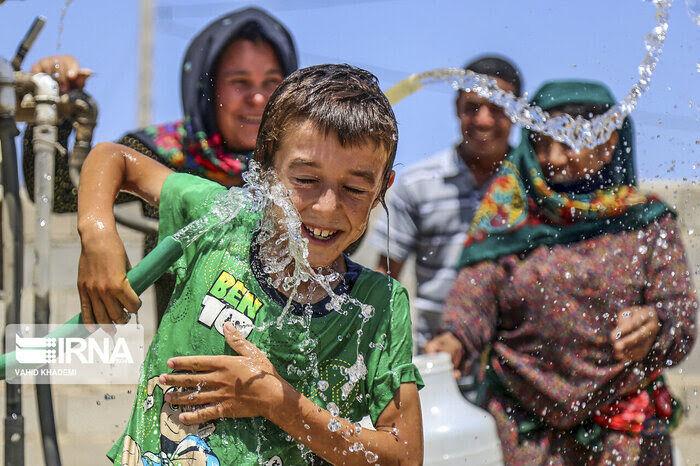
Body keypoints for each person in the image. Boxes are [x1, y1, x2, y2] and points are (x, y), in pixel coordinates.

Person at [76, 64, 423, 465]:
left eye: (356, 189)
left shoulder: (377, 305)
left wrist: (277, 402)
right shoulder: (220, 221)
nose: (327, 207)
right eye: (306, 180)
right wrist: (98, 232)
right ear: (265, 167)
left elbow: (404, 455)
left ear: (383, 187)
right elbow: (113, 158)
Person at [426, 80, 697, 465]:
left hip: (624, 433)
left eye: (568, 141)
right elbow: (474, 297)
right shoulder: (509, 216)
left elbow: (681, 316)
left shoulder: (646, 221)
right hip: (525, 429)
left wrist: (655, 325)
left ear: (608, 143)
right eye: (540, 141)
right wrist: (454, 339)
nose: (552, 157)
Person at [26, 7, 298, 322]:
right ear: (208, 87)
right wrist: (52, 105)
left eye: (272, 82)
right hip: (179, 365)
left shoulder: (303, 168)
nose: (257, 98)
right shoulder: (160, 155)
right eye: (239, 81)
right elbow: (59, 193)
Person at [368, 56, 522, 347]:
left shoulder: (531, 187)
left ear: (518, 111)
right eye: (473, 107)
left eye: (497, 107)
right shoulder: (418, 185)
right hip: (431, 356)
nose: (484, 120)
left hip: (511, 363)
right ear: (457, 108)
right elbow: (385, 276)